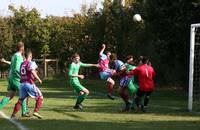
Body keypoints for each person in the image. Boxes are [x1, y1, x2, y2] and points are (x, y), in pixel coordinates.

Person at [11, 50, 43, 119]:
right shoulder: (31, 63)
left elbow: (22, 73)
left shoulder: (22, 64)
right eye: (31, 56)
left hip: (22, 84)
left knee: (20, 101)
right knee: (40, 97)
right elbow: (32, 71)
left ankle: (13, 115)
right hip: (29, 84)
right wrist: (38, 79)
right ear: (30, 56)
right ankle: (36, 111)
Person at [0, 42, 29, 117]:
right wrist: (21, 76)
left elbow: (13, 65)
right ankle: (24, 112)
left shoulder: (14, 55)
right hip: (15, 78)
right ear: (22, 48)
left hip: (11, 77)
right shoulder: (18, 56)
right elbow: (16, 68)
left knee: (10, 95)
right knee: (24, 93)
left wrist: (5, 61)